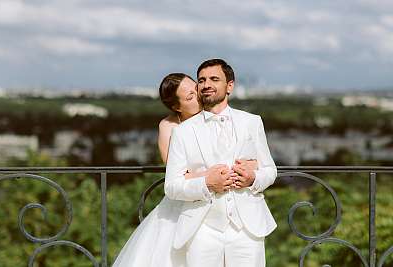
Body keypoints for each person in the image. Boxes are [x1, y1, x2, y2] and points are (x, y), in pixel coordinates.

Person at [112, 72, 257, 267]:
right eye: (189, 97)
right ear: (176, 106)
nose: (198, 96)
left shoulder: (218, 116)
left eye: (196, 89)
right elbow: (175, 173)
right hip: (183, 205)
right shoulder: (169, 126)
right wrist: (211, 176)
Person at [165, 59, 277, 267]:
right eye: (202, 80)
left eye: (214, 79)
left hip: (247, 227)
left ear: (230, 86)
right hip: (201, 228)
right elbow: (171, 186)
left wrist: (253, 178)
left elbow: (270, 170)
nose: (207, 84)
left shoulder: (252, 122)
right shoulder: (182, 132)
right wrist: (207, 183)